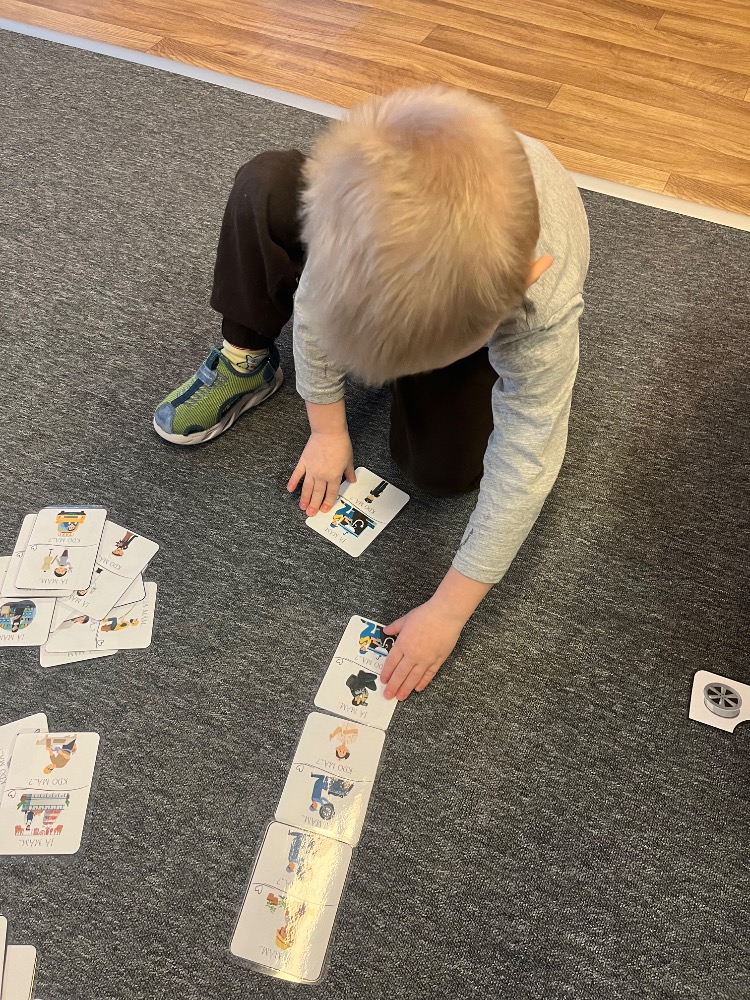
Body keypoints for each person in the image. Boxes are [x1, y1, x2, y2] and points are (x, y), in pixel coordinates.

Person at [152, 86, 589, 701]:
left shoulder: (543, 300)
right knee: (265, 183)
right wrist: (327, 428)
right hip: (393, 243)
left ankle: (431, 360)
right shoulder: (347, 216)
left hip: (485, 295)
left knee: (440, 472)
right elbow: (314, 309)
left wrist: (449, 611)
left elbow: (529, 449)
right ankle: (245, 357)